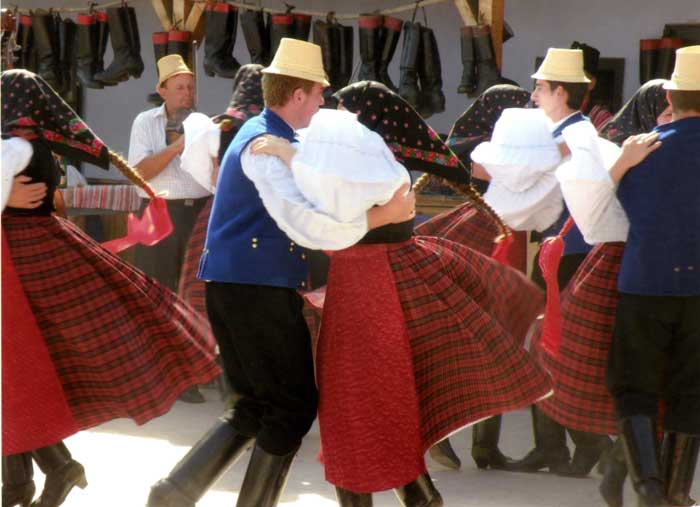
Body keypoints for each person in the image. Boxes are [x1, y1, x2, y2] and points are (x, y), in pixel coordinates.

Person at [251, 81, 553, 506]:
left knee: (355, 407)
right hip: (367, 287)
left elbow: (334, 218)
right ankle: (420, 497)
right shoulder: (379, 168)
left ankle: (418, 497)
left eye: (343, 112)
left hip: (366, 291)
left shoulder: (372, 171)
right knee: (372, 407)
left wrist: (288, 155)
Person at [147, 40, 412, 507]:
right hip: (255, 289)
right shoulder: (265, 144)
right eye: (318, 94)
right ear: (297, 96)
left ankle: (172, 495)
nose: (323, 103)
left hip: (244, 286)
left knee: (253, 407)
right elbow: (305, 221)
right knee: (291, 407)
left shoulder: (268, 135)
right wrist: (383, 216)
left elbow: (310, 203)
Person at [1, 69, 220, 507]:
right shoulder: (37, 146)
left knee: (17, 371)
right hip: (42, 256)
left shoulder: (11, 147)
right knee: (18, 373)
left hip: (21, 269)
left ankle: (37, 476)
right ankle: (32, 476)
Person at [507, 47, 615, 476]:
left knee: (552, 351)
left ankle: (581, 443)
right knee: (547, 349)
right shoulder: (568, 132)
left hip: (571, 255)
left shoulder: (573, 137)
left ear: (560, 93)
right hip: (562, 253)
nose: (532, 95)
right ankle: (567, 445)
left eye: (539, 87)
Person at [603, 45, 700, 507]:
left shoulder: (642, 151)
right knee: (692, 389)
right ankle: (678, 490)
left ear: (669, 97)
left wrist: (620, 163)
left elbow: (597, 212)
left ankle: (648, 488)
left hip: (645, 283)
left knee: (633, 386)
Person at [419, 84, 533, 471]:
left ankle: (455, 440)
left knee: (462, 347)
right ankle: (482, 447)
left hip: (461, 232)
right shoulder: (497, 149)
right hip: (493, 237)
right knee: (497, 346)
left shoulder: (459, 142)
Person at [128, 53, 213, 403]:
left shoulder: (204, 122)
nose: (187, 94)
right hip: (161, 212)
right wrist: (177, 146)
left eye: (191, 87)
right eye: (179, 87)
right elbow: (140, 173)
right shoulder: (145, 122)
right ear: (162, 90)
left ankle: (193, 370)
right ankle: (162, 373)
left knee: (194, 294)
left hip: (198, 213)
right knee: (160, 292)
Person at [570, 41, 613, 131]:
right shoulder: (553, 112)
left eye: (577, 76)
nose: (570, 82)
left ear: (591, 83)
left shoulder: (602, 118)